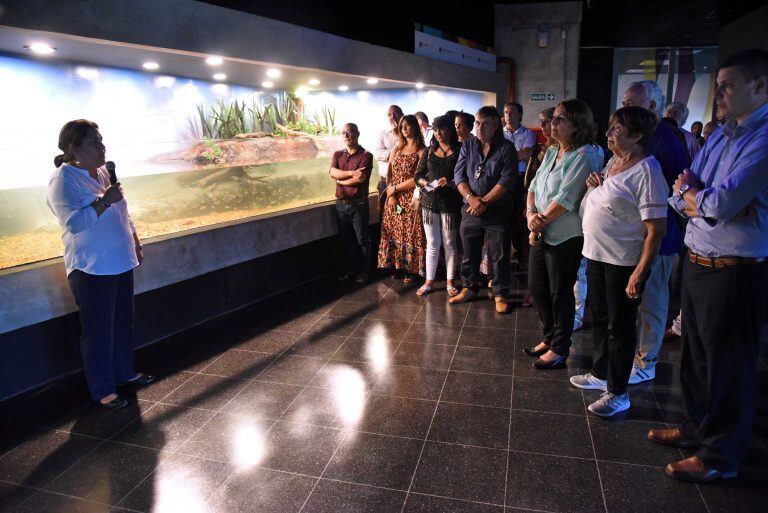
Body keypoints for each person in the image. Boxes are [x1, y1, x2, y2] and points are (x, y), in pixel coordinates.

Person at [650, 48, 768, 483]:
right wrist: (695, 198)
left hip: (737, 269)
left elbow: (718, 202)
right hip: (699, 260)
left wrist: (697, 199)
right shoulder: (721, 134)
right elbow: (681, 191)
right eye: (717, 84)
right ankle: (696, 429)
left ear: (760, 85)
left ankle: (720, 456)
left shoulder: (763, 137)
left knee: (728, 365)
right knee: (695, 358)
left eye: (728, 85)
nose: (717, 92)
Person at [46, 119, 153, 410]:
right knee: (98, 331)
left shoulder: (105, 172)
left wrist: (135, 240)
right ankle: (103, 389)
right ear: (73, 148)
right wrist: (104, 201)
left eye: (101, 140)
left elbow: (123, 211)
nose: (102, 147)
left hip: (120, 261)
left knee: (121, 324)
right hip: (91, 268)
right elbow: (75, 223)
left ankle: (124, 373)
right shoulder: (63, 179)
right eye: (94, 142)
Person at [569, 107, 668, 417]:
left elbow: (656, 230)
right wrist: (595, 184)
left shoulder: (647, 171)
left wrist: (640, 271)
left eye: (616, 129)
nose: (609, 133)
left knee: (620, 327)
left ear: (637, 135)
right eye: (610, 127)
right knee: (600, 319)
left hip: (622, 262)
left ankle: (618, 392)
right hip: (596, 255)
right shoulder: (614, 162)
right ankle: (600, 373)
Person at [523, 99, 600, 369]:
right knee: (537, 287)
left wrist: (537, 222)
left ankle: (560, 347)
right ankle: (549, 336)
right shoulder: (555, 150)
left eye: (560, 119)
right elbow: (533, 185)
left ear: (577, 124)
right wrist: (531, 214)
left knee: (560, 292)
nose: (551, 123)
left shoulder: (585, 155)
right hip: (541, 229)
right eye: (553, 118)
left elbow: (566, 198)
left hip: (565, 235)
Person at [621, 80, 689, 385]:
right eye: (624, 103)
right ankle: (635, 353)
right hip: (635, 236)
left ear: (651, 107)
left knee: (652, 300)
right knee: (638, 298)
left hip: (659, 238)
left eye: (631, 103)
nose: (625, 109)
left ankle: (646, 361)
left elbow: (675, 195)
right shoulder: (643, 137)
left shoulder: (666, 141)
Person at [450, 106, 518, 314]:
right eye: (478, 123)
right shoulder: (468, 145)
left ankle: (499, 293)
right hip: (470, 208)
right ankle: (469, 287)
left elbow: (506, 180)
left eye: (485, 124)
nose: (480, 128)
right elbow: (459, 175)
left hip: (497, 209)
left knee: (499, 253)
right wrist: (472, 199)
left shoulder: (507, 148)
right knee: (468, 252)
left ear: (496, 125)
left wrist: (485, 202)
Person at [414, 115, 463, 296]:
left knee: (450, 243)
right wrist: (425, 183)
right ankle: (429, 280)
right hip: (429, 203)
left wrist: (450, 183)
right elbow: (417, 175)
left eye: (442, 128)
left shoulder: (460, 150)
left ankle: (450, 281)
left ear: (451, 129)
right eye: (435, 129)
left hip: (450, 203)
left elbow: (464, 176)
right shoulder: (429, 150)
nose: (439, 133)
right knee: (433, 243)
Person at [377, 114, 427, 280]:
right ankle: (397, 265)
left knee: (411, 232)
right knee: (395, 231)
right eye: (402, 126)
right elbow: (389, 172)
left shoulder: (422, 150)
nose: (404, 129)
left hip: (411, 200)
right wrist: (391, 194)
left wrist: (396, 188)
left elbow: (417, 178)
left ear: (415, 127)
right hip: (394, 198)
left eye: (408, 125)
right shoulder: (396, 148)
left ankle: (412, 269)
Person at [328, 123, 374, 284]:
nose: (346, 135)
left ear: (357, 134)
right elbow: (332, 172)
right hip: (341, 205)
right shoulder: (337, 154)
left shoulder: (366, 155)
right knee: (346, 240)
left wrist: (340, 181)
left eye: (349, 132)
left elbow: (359, 179)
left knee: (362, 240)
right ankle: (350, 270)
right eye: (343, 133)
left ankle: (364, 272)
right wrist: (349, 173)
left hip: (358, 204)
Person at [503, 102, 537, 270]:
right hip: (502, 178)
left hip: (520, 178)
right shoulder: (499, 133)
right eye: (506, 112)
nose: (508, 115)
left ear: (520, 115)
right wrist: (515, 154)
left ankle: (518, 252)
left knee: (518, 215)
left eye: (512, 112)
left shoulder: (528, 133)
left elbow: (526, 155)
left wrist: (506, 154)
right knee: (503, 215)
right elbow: (501, 156)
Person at [375, 105, 404, 212]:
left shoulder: (407, 131)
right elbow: (378, 153)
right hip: (386, 182)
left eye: (395, 114)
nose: (392, 117)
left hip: (402, 184)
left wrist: (397, 133)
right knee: (386, 213)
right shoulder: (382, 132)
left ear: (402, 115)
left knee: (400, 212)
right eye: (389, 114)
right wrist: (395, 154)